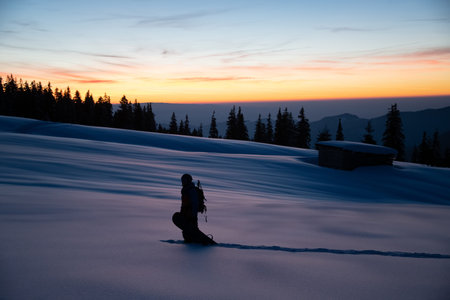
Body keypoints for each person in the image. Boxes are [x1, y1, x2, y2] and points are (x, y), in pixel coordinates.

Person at [180, 173, 199, 241]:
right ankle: (189, 241)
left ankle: (194, 241)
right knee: (186, 229)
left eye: (184, 180)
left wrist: (193, 215)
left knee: (192, 228)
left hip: (190, 213)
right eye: (182, 180)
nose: (183, 182)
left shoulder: (191, 189)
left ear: (188, 180)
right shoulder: (185, 189)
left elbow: (195, 203)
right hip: (185, 213)